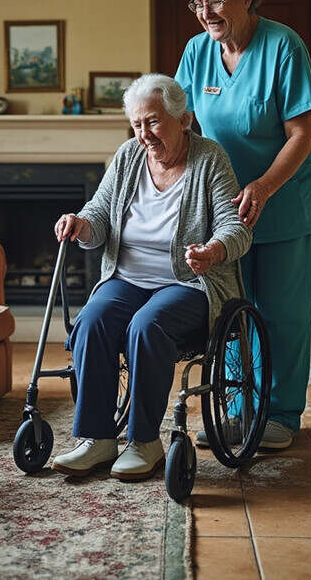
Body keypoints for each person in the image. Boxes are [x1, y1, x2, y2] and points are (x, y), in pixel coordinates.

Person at [51, 73, 252, 481]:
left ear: (184, 120)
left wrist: (212, 251)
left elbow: (237, 228)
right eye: (138, 124)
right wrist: (80, 224)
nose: (145, 134)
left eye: (154, 122)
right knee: (91, 320)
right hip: (127, 279)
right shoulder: (127, 156)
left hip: (188, 283)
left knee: (147, 324)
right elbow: (99, 214)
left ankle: (144, 442)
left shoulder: (209, 158)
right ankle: (96, 437)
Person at [174, 0, 311, 450]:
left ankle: (279, 413)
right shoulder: (197, 52)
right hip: (223, 206)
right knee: (232, 308)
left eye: (216, 1)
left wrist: (262, 185)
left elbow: (301, 132)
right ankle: (237, 409)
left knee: (280, 311)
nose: (207, 13)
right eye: (198, 4)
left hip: (282, 198)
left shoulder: (284, 46)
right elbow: (181, 125)